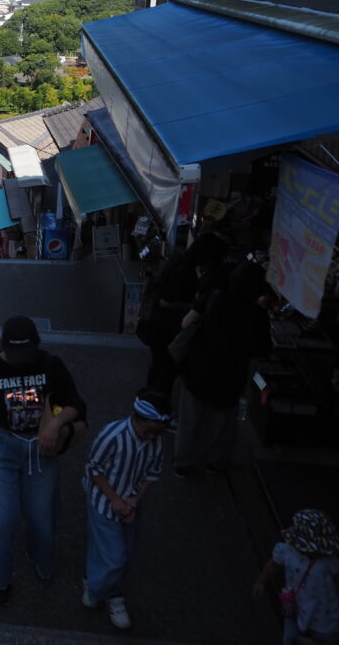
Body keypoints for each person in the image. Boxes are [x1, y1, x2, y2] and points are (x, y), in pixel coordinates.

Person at [0, 315, 87, 606]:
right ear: (3, 347)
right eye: (14, 355)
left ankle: (40, 558)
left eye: (26, 354)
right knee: (0, 521)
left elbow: (76, 404)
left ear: (37, 346)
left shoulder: (51, 364)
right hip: (3, 446)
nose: (20, 361)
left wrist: (54, 424)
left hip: (41, 447)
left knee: (41, 517)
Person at [173, 260, 271, 477]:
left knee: (190, 418)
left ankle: (183, 462)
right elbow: (257, 354)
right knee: (222, 421)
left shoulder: (214, 297)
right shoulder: (258, 315)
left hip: (198, 365)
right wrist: (247, 385)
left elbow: (185, 324)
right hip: (232, 373)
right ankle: (215, 461)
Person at [82, 389, 170, 630]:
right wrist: (115, 500)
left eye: (156, 432)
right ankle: (99, 589)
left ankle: (107, 589)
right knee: (116, 556)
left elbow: (152, 473)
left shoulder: (156, 441)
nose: (151, 437)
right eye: (148, 430)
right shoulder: (112, 435)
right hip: (103, 502)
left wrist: (134, 500)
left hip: (129, 502)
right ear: (134, 417)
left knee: (124, 551)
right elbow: (93, 468)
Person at [139, 232, 228, 395]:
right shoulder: (185, 270)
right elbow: (165, 301)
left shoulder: (177, 259)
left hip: (153, 323)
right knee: (165, 367)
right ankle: (155, 404)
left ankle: (150, 400)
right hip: (163, 326)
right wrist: (192, 305)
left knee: (159, 365)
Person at [254, 509, 339, 645]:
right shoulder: (286, 550)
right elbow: (273, 565)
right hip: (301, 605)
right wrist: (261, 582)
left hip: (322, 611)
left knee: (321, 638)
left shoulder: (328, 561)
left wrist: (261, 582)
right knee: (292, 636)